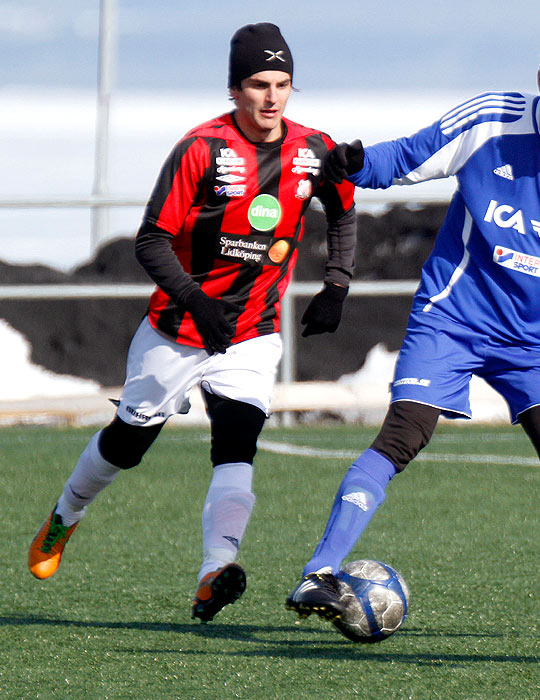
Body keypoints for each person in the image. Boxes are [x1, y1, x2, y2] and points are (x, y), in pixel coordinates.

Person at [286, 29, 540, 641]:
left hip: (530, 343)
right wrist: (353, 162)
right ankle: (319, 572)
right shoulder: (489, 121)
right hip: (451, 318)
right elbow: (406, 158)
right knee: (403, 434)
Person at [28, 23, 358, 624]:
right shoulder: (200, 148)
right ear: (235, 88)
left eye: (283, 84)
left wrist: (336, 284)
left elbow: (342, 210)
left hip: (253, 331)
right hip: (177, 330)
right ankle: (63, 518)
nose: (272, 97)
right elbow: (150, 241)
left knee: (237, 442)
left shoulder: (313, 147)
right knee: (127, 446)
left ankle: (214, 571)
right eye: (259, 84)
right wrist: (196, 299)